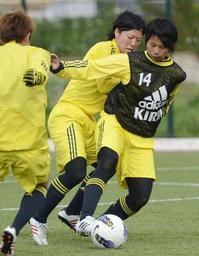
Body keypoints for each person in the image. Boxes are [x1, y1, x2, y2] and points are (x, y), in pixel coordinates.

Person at [29, 17, 186, 240]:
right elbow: (92, 69)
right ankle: (41, 217)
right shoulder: (110, 53)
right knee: (80, 170)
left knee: (122, 181)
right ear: (116, 33)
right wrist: (61, 67)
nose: (134, 43)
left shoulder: (172, 73)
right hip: (70, 114)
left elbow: (165, 100)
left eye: (137, 40)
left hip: (93, 122)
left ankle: (74, 214)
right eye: (131, 38)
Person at [0, 11, 50, 255]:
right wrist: (36, 76)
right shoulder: (36, 53)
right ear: (27, 35)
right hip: (29, 143)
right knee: (40, 187)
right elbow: (39, 70)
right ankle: (13, 229)